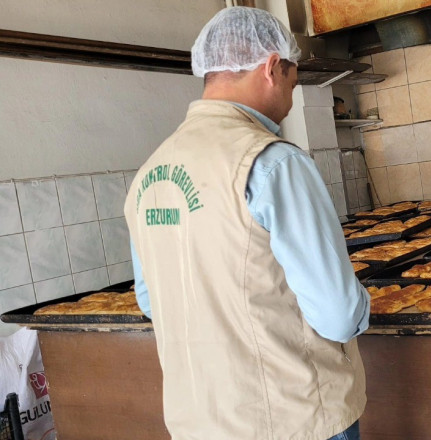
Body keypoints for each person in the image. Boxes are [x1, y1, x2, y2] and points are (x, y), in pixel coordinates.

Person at [123, 7, 370, 440]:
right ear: (272, 68)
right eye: (293, 84)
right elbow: (338, 315)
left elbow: (151, 302)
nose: (290, 101)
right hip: (293, 420)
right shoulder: (272, 163)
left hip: (200, 424)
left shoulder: (149, 176)